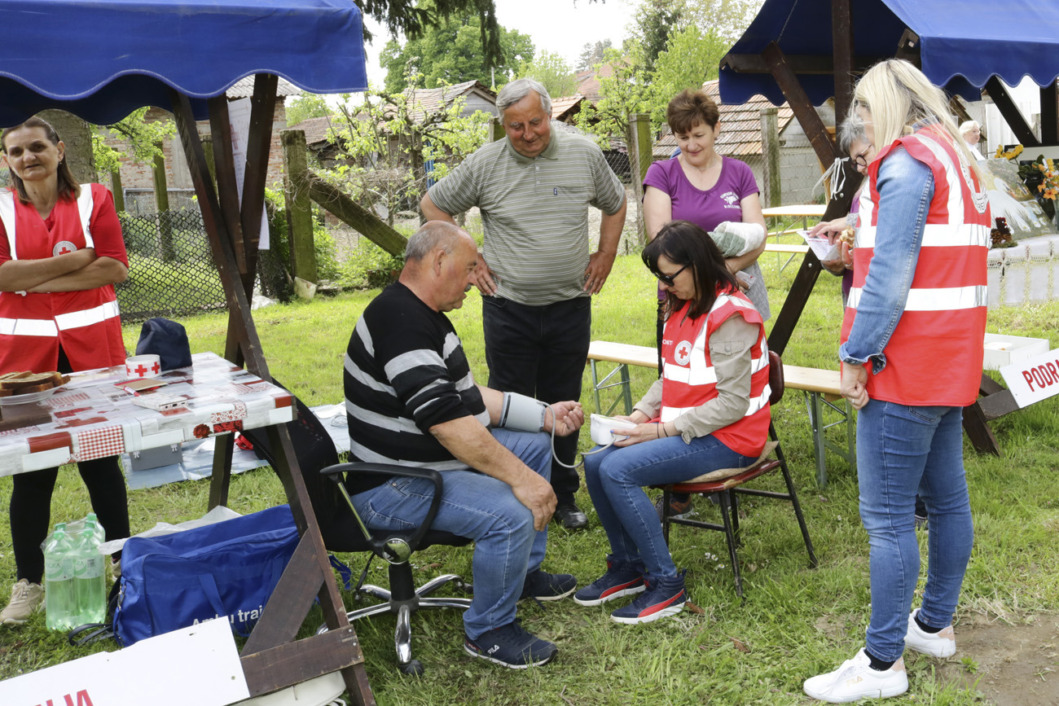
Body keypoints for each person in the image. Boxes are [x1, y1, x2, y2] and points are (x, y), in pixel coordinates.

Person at [803, 60, 990, 702]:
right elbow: (929, 249)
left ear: (882, 101)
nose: (860, 119)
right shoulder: (955, 157)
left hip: (904, 365)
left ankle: (882, 662)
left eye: (862, 104)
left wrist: (857, 353)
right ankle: (932, 625)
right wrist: (858, 230)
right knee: (947, 501)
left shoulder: (906, 161)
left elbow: (890, 277)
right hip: (950, 362)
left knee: (886, 520)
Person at [343, 221, 585, 668]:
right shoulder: (401, 324)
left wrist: (546, 415)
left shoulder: (423, 315)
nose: (476, 279)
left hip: (418, 470)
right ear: (439, 262)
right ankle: (489, 630)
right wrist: (523, 482)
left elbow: (470, 397)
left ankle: (521, 575)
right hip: (391, 487)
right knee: (512, 509)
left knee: (533, 446)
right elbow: (448, 425)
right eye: (471, 268)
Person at [420, 78, 627, 531]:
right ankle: (516, 492)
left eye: (535, 122)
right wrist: (470, 262)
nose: (528, 133)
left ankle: (565, 495)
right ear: (503, 125)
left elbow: (616, 202)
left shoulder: (584, 154)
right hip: (507, 307)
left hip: (569, 305)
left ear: (549, 115)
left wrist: (607, 253)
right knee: (511, 404)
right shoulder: (484, 164)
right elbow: (432, 205)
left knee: (564, 403)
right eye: (516, 126)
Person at [572, 220, 771, 624]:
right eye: (659, 278)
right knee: (595, 462)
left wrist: (659, 429)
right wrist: (640, 414)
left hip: (730, 439)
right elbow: (672, 377)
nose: (664, 286)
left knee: (617, 470)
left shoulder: (731, 315)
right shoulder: (684, 305)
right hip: (691, 429)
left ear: (696, 265)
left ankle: (666, 584)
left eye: (669, 277)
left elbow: (733, 404)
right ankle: (628, 566)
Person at [0, 116, 130, 626]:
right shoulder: (2, 208)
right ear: (7, 161)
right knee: (32, 476)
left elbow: (115, 267)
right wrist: (77, 260)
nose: (27, 157)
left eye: (37, 147)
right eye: (16, 151)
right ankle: (29, 582)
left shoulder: (95, 198)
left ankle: (125, 564)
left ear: (58, 150)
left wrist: (27, 281)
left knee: (101, 465)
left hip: (91, 352)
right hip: (24, 361)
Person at [642, 88, 769, 520]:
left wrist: (717, 273)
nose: (692, 145)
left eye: (698, 135)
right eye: (682, 138)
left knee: (737, 380)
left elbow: (758, 235)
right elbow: (660, 242)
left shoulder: (739, 173)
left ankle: (725, 458)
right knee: (683, 379)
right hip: (682, 299)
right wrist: (703, 277)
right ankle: (678, 486)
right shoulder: (662, 175)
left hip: (739, 289)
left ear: (716, 129)